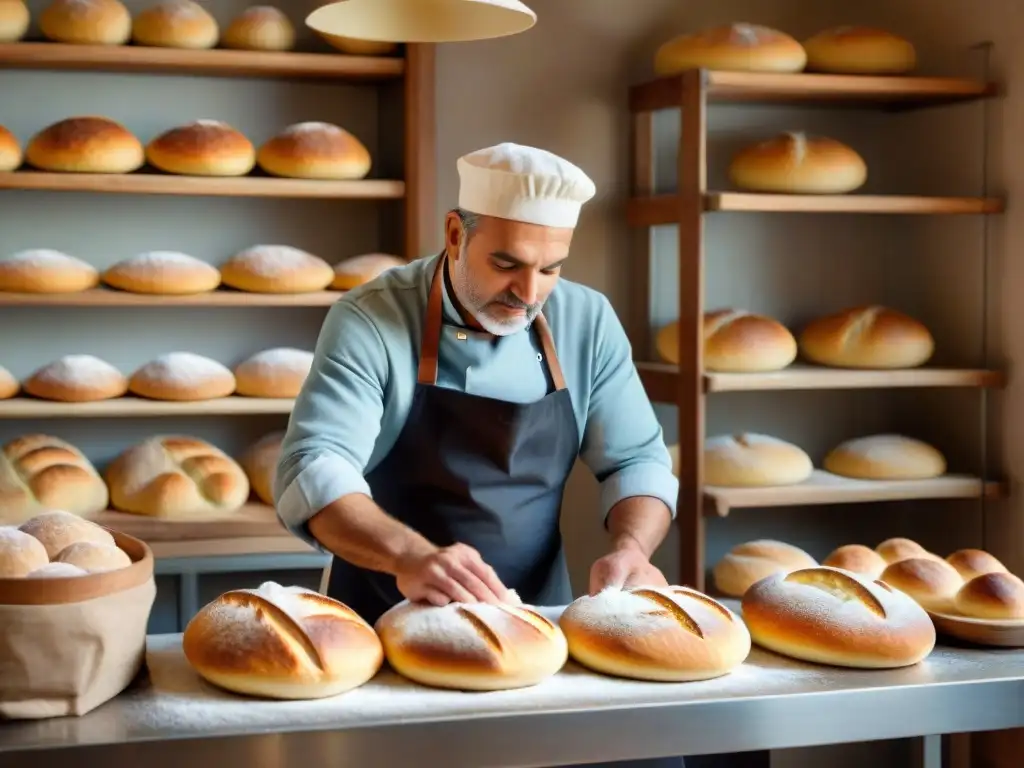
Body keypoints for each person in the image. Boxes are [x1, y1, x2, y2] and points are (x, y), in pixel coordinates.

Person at [275, 141, 688, 767]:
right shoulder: (372, 319)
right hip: (386, 628)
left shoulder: (587, 320)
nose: (529, 293)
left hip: (534, 629)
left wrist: (632, 549)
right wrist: (410, 555)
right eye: (507, 264)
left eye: (550, 269)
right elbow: (315, 466)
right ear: (454, 234)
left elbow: (638, 461)